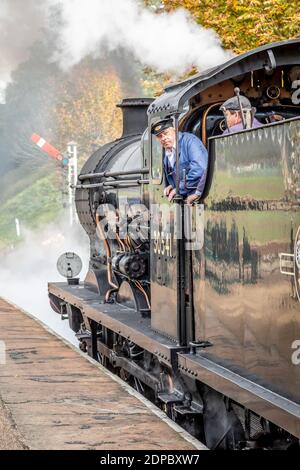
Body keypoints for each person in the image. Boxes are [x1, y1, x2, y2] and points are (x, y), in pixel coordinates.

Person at [152, 119, 208, 205]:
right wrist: (172, 185)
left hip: (200, 198)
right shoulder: (167, 152)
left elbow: (199, 169)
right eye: (160, 136)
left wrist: (178, 188)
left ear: (174, 130)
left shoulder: (190, 141)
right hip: (185, 200)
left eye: (166, 133)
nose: (163, 138)